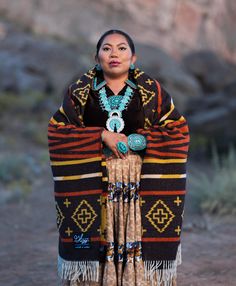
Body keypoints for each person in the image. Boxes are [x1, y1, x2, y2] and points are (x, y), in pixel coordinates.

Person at [48, 29, 190, 286]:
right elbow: (58, 132)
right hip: (95, 184)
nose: (114, 53)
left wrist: (142, 140)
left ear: (133, 58)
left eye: (122, 48)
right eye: (107, 48)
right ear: (97, 56)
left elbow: (178, 130)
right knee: (96, 241)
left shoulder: (150, 91)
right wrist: (101, 136)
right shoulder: (80, 92)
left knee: (136, 238)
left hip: (138, 185)